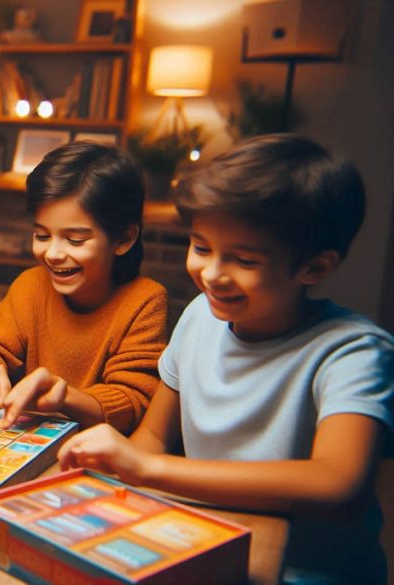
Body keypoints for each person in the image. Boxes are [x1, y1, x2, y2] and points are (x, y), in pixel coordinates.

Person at [57, 134, 393, 584]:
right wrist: (112, 466)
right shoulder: (200, 315)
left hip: (308, 573)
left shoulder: (353, 351)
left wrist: (148, 469)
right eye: (201, 247)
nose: (212, 274)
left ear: (314, 267)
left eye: (244, 260)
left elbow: (338, 484)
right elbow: (153, 436)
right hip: (206, 545)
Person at [0, 143, 168, 433]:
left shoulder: (145, 301)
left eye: (75, 240)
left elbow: (132, 402)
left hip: (99, 450)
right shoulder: (31, 285)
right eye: (42, 235)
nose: (53, 253)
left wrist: (63, 396)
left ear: (123, 239)